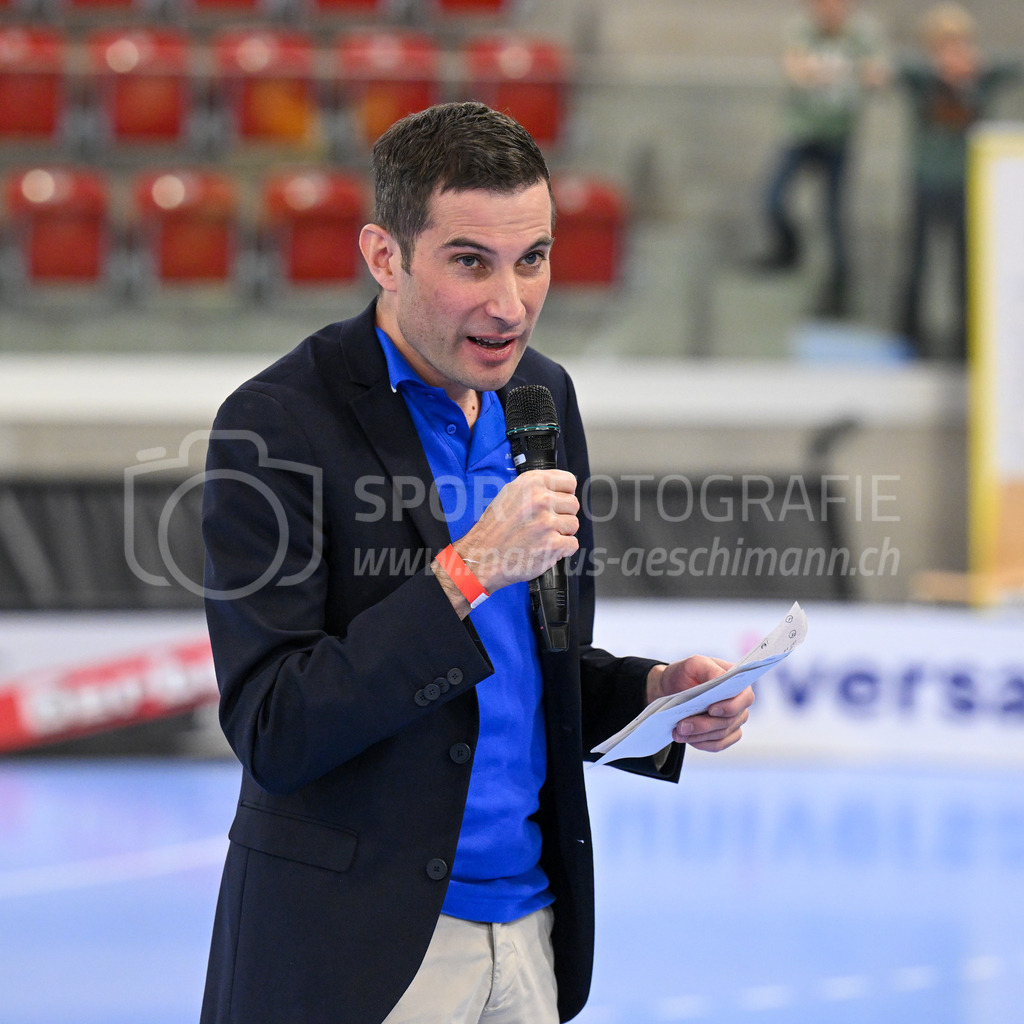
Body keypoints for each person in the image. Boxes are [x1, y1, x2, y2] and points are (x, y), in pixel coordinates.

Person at [199, 101, 754, 1024]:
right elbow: (276, 726)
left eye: (532, 258)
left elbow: (532, 666)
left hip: (532, 935)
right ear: (385, 257)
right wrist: (463, 575)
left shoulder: (542, 395)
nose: (511, 304)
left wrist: (656, 695)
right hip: (359, 952)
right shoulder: (278, 423)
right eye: (470, 261)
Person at [894, 3, 1021, 360]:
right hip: (928, 179)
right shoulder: (923, 78)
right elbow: (891, 70)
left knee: (966, 264)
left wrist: (974, 69)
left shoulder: (980, 78)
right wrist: (939, 71)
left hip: (968, 183)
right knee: (917, 261)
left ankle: (970, 338)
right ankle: (909, 335)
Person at [754, 0, 889, 317]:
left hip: (838, 136)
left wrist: (830, 70)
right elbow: (797, 71)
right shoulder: (801, 29)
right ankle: (788, 249)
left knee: (832, 216)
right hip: (800, 131)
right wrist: (849, 70)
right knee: (772, 198)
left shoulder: (862, 34)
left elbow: (878, 76)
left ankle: (840, 287)